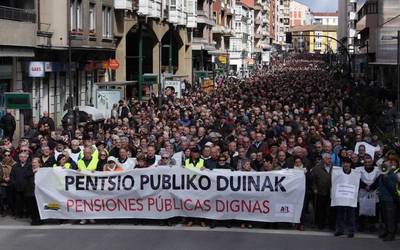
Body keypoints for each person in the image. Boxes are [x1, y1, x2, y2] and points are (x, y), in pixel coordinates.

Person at [333, 158, 357, 238]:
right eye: (344, 163)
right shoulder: (337, 172)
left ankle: (351, 231)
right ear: (342, 164)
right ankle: (340, 230)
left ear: (350, 164)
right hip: (341, 197)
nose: (346, 164)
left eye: (347, 163)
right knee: (340, 214)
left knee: (351, 215)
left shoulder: (355, 173)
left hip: (350, 197)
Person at [377, 161, 399, 241]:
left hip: (390, 199)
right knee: (385, 217)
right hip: (383, 198)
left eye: (387, 165)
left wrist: (386, 179)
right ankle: (387, 231)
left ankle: (391, 234)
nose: (385, 166)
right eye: (384, 165)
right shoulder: (382, 174)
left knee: (390, 217)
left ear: (390, 166)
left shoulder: (393, 175)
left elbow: (393, 188)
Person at [311, 153, 333, 230]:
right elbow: (313, 180)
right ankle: (321, 224)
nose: (329, 160)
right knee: (321, 209)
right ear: (323, 160)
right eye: (327, 158)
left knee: (331, 209)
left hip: (331, 192)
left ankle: (331, 224)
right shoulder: (317, 168)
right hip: (320, 191)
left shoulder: (334, 168)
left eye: (330, 158)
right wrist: (314, 188)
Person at [10, 152, 32, 218]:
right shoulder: (15, 166)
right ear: (19, 158)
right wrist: (14, 184)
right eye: (21, 157)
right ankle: (20, 213)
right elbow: (12, 176)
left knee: (27, 202)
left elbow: (31, 175)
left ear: (27, 157)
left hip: (27, 188)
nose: (23, 158)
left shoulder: (30, 166)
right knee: (19, 202)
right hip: (18, 188)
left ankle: (28, 213)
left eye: (24, 157)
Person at [26, 157, 42, 225]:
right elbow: (24, 175)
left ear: (39, 164)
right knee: (31, 207)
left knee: (38, 207)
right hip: (30, 192)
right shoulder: (28, 169)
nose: (33, 164)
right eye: (33, 162)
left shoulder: (43, 170)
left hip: (39, 192)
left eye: (35, 162)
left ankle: (39, 220)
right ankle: (33, 219)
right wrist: (33, 172)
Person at [0, 149, 15, 216]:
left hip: (11, 183)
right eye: (5, 155)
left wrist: (10, 178)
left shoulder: (14, 164)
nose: (7, 157)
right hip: (2, 183)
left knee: (11, 198)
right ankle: (3, 210)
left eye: (8, 155)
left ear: (11, 156)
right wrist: (3, 179)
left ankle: (12, 210)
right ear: (3, 156)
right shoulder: (0, 164)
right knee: (2, 198)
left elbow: (16, 174)